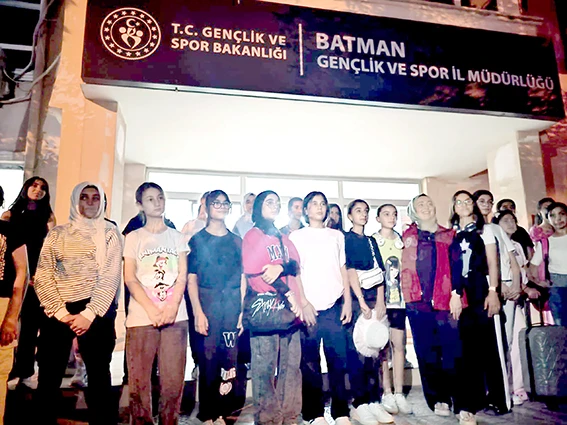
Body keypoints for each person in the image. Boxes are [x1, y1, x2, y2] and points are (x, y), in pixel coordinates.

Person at [34, 182, 122, 425]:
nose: (90, 202)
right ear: (76, 200)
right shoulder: (57, 233)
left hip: (96, 311)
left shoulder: (109, 233)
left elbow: (110, 276)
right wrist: (61, 313)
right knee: (48, 377)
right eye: (84, 197)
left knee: (99, 379)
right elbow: (43, 275)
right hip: (58, 311)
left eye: (96, 198)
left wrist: (89, 314)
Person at [243, 190, 315, 425]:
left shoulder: (284, 237)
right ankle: (268, 419)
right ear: (259, 207)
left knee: (291, 367)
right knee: (264, 369)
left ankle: (289, 416)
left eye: (277, 202)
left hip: (291, 313)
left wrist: (283, 271)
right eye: (269, 202)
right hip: (267, 311)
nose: (274, 206)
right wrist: (289, 294)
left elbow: (295, 266)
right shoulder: (253, 235)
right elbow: (258, 273)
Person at [123, 182, 189, 425]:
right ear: (140, 204)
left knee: (173, 382)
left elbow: (182, 275)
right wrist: (151, 309)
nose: (157, 202)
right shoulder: (133, 237)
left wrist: (172, 306)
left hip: (175, 316)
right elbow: (130, 278)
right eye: (150, 199)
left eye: (160, 197)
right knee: (139, 382)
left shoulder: (177, 237)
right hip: (142, 317)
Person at [401, 194, 466, 421]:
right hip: (416, 302)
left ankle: (460, 401)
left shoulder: (449, 235)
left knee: (452, 350)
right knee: (426, 351)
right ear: (413, 211)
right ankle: (438, 398)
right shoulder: (406, 236)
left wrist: (456, 294)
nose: (426, 206)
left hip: (445, 300)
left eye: (429, 202)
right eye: (421, 204)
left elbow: (457, 266)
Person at [289, 191, 352, 425]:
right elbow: (295, 273)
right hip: (309, 307)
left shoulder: (337, 236)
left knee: (338, 360)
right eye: (314, 204)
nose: (319, 207)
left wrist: (347, 301)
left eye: (322, 203)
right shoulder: (296, 236)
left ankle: (340, 412)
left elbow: (343, 269)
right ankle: (313, 414)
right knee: (310, 363)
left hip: (334, 305)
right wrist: (303, 303)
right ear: (306, 210)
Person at [449, 191, 509, 423]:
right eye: (459, 202)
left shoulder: (486, 230)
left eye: (468, 201)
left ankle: (499, 398)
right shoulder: (451, 233)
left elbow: (493, 262)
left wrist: (493, 291)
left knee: (489, 347)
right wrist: (454, 294)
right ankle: (470, 402)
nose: (464, 205)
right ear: (454, 207)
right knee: (466, 350)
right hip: (459, 294)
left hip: (480, 291)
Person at [188, 190, 245, 425]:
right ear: (207, 206)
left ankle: (223, 412)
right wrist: (197, 312)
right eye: (216, 203)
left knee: (229, 360)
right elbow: (191, 279)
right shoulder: (197, 240)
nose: (220, 206)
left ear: (229, 207)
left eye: (224, 203)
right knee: (208, 360)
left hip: (232, 307)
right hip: (207, 304)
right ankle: (208, 414)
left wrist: (242, 310)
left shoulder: (237, 241)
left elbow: (243, 277)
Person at [343, 200, 394, 425]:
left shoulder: (371, 241)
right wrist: (362, 301)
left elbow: (380, 272)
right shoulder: (347, 239)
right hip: (357, 301)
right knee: (358, 352)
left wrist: (380, 300)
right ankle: (359, 403)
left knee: (375, 350)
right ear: (350, 216)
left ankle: (374, 400)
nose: (362, 214)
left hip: (375, 299)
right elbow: (350, 271)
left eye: (365, 211)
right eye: (358, 211)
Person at [3, 177, 55, 390]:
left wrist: (40, 276)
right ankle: (8, 369)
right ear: (26, 188)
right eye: (34, 185)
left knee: (30, 327)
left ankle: (25, 371)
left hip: (35, 278)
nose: (38, 190)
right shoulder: (9, 215)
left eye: (43, 187)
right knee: (8, 323)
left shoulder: (48, 217)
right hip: (11, 275)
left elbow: (51, 249)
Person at [493, 210, 539, 406]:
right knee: (504, 342)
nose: (511, 223)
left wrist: (523, 288)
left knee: (519, 338)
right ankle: (502, 387)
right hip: (500, 296)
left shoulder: (518, 246)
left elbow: (522, 272)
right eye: (506, 220)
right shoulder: (494, 243)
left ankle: (518, 386)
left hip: (515, 297)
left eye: (513, 220)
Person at [373, 204, 412, 415]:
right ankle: (386, 392)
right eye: (386, 214)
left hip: (399, 301)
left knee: (399, 345)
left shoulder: (402, 241)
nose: (391, 217)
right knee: (382, 347)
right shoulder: (373, 241)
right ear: (378, 218)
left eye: (394, 214)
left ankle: (399, 392)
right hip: (380, 301)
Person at [0, 185, 28, 425]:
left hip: (2, 304)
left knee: (0, 372)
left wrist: (11, 317)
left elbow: (22, 275)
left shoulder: (10, 231)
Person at [530, 202, 567, 326]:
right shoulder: (546, 242)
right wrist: (539, 282)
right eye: (553, 215)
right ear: (548, 219)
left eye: (562, 214)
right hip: (558, 286)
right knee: (561, 326)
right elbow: (533, 266)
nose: (558, 219)